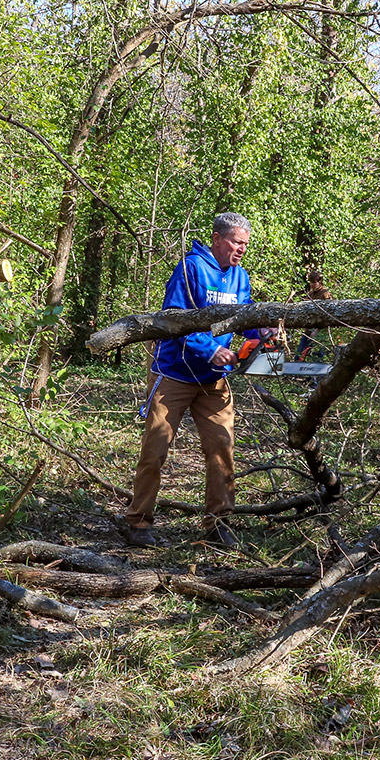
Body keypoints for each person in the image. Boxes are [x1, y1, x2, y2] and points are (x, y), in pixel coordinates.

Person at [122, 213, 271, 548]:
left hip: (213, 380)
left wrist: (262, 330)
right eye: (236, 242)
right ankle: (138, 521)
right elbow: (173, 321)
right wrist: (209, 349)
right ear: (217, 239)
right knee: (155, 449)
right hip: (174, 371)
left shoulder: (240, 277)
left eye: (245, 244)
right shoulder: (190, 269)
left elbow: (242, 319)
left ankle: (218, 522)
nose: (241, 249)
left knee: (222, 446)